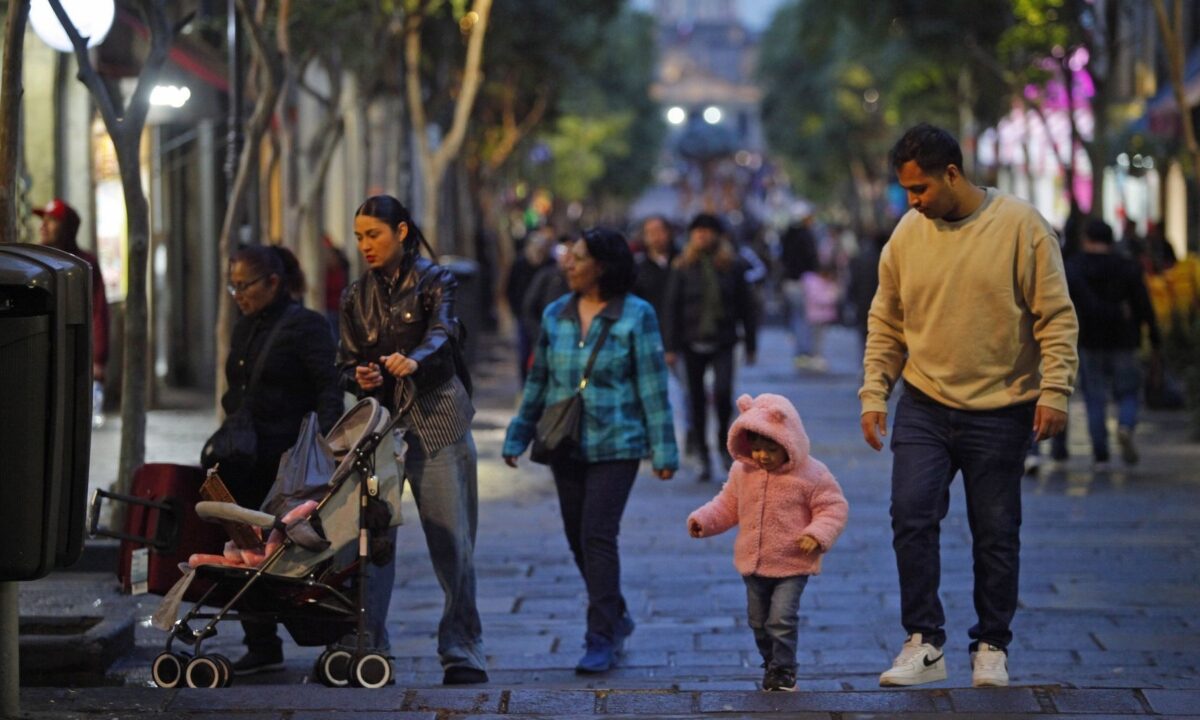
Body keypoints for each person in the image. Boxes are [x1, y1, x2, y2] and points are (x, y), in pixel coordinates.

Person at [860, 124, 1078, 689]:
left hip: (1002, 407)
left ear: (951, 173)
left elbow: (1055, 316)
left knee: (996, 531)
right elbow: (887, 319)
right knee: (910, 515)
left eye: (920, 189)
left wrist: (1054, 390)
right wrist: (874, 392)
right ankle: (925, 642)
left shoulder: (1022, 227)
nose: (912, 201)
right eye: (907, 191)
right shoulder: (908, 234)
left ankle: (991, 645)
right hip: (925, 403)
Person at [502, 227, 678, 674]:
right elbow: (539, 380)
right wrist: (517, 435)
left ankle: (600, 636)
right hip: (565, 443)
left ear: (601, 265)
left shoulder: (637, 316)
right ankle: (615, 613)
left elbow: (653, 387)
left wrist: (664, 451)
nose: (568, 263)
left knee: (598, 536)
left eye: (577, 257)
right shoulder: (555, 314)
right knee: (578, 539)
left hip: (617, 444)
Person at [337, 195, 488, 685]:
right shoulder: (354, 296)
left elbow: (445, 332)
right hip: (380, 428)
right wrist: (356, 374)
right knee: (372, 540)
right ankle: (368, 645)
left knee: (452, 541)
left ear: (401, 232)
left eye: (374, 235)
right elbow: (343, 361)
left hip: (436, 421)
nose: (365, 245)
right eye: (359, 237)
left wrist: (416, 358)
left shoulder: (435, 279)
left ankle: (462, 649)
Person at [209, 244, 343, 674]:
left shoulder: (307, 326)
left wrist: (329, 453)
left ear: (273, 282)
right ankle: (261, 641)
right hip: (245, 462)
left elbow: (328, 391)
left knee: (290, 556)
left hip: (286, 467)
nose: (238, 295)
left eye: (244, 285)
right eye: (233, 286)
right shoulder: (245, 327)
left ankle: (328, 635)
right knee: (242, 551)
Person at [687, 393, 848, 692]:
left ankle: (785, 670)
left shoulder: (812, 474)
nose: (762, 456)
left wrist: (817, 533)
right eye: (757, 449)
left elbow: (833, 507)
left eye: (771, 449)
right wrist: (703, 520)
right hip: (753, 562)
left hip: (792, 562)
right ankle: (771, 663)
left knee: (781, 619)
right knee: (758, 622)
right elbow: (726, 505)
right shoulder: (743, 471)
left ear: (789, 442)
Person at [663, 213, 758, 481]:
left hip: (723, 339)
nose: (702, 235)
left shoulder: (733, 266)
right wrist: (670, 346)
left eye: (707, 230)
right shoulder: (681, 266)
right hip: (690, 342)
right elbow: (671, 308)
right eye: (697, 231)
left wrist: (751, 343)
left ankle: (722, 446)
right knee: (695, 399)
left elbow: (747, 307)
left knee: (723, 392)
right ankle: (702, 455)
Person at [1066, 218, 1161, 468]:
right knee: (1129, 392)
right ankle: (1126, 426)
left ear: (1087, 238)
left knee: (1094, 397)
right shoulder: (1127, 266)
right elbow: (1143, 303)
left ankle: (1100, 453)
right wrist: (1153, 335)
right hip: (1124, 340)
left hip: (1089, 340)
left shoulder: (1074, 267)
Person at [35, 198, 109, 427]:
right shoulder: (35, 262)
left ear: (67, 228)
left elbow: (99, 310)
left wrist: (98, 359)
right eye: (43, 219)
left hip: (75, 354)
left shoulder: (83, 265)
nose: (43, 226)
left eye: (52, 220)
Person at [505, 227, 555, 384]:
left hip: (546, 317)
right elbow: (510, 288)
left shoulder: (550, 265)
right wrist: (515, 310)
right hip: (524, 316)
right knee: (524, 353)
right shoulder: (520, 263)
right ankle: (524, 386)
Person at [778, 211, 819, 368]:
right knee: (805, 319)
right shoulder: (806, 237)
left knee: (796, 318)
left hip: (790, 282)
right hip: (804, 282)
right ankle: (804, 352)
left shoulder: (787, 237)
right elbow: (812, 259)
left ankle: (800, 351)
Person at [800, 260, 841, 372]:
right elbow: (821, 298)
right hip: (816, 316)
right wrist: (831, 297)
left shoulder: (823, 283)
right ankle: (815, 358)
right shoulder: (814, 283)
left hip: (821, 316)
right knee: (815, 339)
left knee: (819, 339)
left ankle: (816, 357)